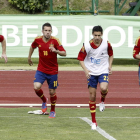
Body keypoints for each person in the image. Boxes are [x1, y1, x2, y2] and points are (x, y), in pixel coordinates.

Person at [77, 25, 113, 130]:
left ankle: (102, 101)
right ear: (92, 34)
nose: (97, 37)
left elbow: (111, 54)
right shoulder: (87, 45)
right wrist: (86, 70)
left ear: (101, 34)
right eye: (95, 35)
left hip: (103, 71)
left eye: (99, 35)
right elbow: (80, 59)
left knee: (103, 88)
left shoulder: (107, 44)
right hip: (91, 72)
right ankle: (94, 121)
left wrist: (110, 66)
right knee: (92, 96)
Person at [28, 23, 66, 118]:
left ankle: (53, 110)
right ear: (42, 31)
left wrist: (56, 51)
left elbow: (64, 53)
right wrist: (29, 57)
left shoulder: (55, 41)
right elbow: (32, 46)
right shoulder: (37, 40)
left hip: (53, 71)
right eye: (46, 30)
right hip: (41, 69)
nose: (47, 32)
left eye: (49, 31)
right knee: (36, 87)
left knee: (52, 92)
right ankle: (44, 100)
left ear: (51, 31)